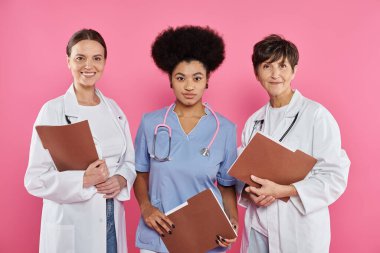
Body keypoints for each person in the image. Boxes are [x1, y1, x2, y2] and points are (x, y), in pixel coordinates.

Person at [24, 29, 136, 253]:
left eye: (97, 58)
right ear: (68, 61)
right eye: (80, 58)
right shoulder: (53, 111)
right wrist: (83, 179)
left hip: (111, 219)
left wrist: (121, 179)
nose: (89, 66)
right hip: (72, 223)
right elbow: (35, 179)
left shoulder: (114, 110)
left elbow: (129, 162)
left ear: (104, 62)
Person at [238, 34, 350, 253]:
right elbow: (242, 173)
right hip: (259, 228)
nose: (275, 74)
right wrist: (248, 191)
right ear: (256, 72)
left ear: (294, 70)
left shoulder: (316, 115)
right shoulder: (254, 122)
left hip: (298, 230)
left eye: (283, 66)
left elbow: (334, 177)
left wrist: (284, 190)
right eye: (267, 66)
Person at [134, 25, 239, 253]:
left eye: (197, 78)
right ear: (170, 80)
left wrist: (232, 220)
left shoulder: (226, 130)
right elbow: (140, 174)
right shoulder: (151, 123)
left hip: (205, 234)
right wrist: (146, 208)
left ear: (207, 80)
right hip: (159, 231)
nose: (189, 86)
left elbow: (227, 185)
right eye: (181, 78)